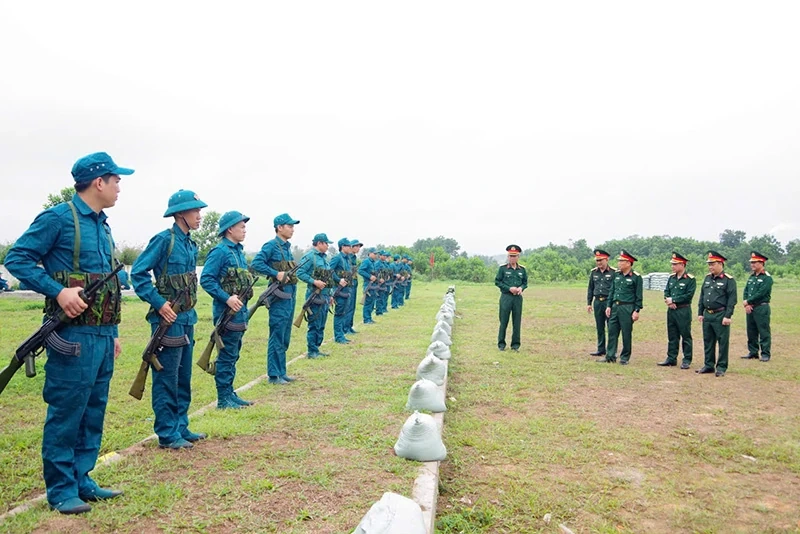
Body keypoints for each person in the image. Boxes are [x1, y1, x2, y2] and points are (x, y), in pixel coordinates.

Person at [5, 151, 132, 514]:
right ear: (99, 182)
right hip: (72, 338)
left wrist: (114, 331)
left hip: (103, 335)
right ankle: (61, 489)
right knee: (67, 413)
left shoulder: (103, 226)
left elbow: (106, 285)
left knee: (94, 410)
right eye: (116, 180)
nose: (120, 186)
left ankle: (82, 478)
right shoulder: (58, 218)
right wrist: (58, 291)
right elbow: (18, 258)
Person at [131, 189, 208, 449]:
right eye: (195, 211)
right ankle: (167, 432)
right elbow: (139, 274)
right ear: (179, 214)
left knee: (183, 376)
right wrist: (159, 304)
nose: (199, 216)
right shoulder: (164, 240)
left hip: (187, 318)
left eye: (199, 211)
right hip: (167, 321)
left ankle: (181, 426)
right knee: (167, 378)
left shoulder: (189, 243)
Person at [199, 211, 255, 408]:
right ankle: (223, 399)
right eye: (241, 226)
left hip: (240, 313)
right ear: (230, 229)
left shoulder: (238, 252)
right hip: (226, 314)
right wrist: (226, 298)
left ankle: (230, 393)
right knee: (226, 355)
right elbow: (206, 279)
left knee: (233, 354)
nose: (245, 230)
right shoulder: (220, 252)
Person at [251, 213, 301, 384]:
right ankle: (273, 374)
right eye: (290, 226)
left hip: (289, 295)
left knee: (285, 335)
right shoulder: (271, 246)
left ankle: (281, 371)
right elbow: (256, 263)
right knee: (277, 334)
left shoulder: (287, 247)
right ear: (280, 227)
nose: (292, 229)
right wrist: (275, 274)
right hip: (278, 298)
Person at [696, 251, 737, 377]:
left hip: (720, 314)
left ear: (720, 263)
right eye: (709, 264)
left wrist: (728, 316)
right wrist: (700, 312)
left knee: (722, 341)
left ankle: (721, 367)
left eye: (713, 264)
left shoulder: (728, 280)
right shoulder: (707, 278)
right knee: (708, 341)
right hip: (707, 314)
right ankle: (708, 365)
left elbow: (732, 300)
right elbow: (702, 295)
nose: (710, 267)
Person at [600, 250, 643, 365]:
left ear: (628, 263)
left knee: (626, 333)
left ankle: (624, 357)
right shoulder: (617, 275)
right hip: (615, 306)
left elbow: (639, 296)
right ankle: (610, 355)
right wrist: (609, 305)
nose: (619, 263)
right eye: (619, 261)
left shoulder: (636, 277)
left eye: (621, 261)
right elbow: (612, 291)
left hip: (627, 307)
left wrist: (637, 310)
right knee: (612, 331)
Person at [297, 233, 334, 358]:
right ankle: (312, 350)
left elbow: (327, 278)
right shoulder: (310, 257)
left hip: (325, 295)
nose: (328, 246)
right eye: (326, 243)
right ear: (319, 243)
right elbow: (300, 272)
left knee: (322, 323)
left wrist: (331, 295)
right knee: (315, 324)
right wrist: (314, 282)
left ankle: (317, 348)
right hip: (314, 295)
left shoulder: (324, 258)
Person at [658, 252, 696, 369]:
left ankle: (687, 359)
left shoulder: (690, 279)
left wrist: (673, 300)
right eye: (672, 264)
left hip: (683, 311)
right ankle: (671, 358)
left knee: (685, 336)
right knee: (672, 335)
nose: (672, 266)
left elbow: (689, 295)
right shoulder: (671, 278)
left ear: (682, 265)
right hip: (671, 311)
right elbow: (666, 292)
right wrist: (668, 301)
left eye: (675, 264)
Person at [495, 244, 528, 352]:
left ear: (518, 257)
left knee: (517, 322)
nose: (512, 258)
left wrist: (521, 288)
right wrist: (509, 288)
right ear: (508, 257)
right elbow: (497, 282)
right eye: (510, 256)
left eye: (514, 256)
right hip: (506, 297)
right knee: (503, 321)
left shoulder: (522, 270)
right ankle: (501, 344)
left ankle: (515, 345)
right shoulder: (503, 269)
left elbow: (525, 283)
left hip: (517, 298)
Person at [742, 251, 772, 362]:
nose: (752, 265)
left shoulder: (767, 278)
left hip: (761, 307)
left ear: (762, 263)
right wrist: (747, 303)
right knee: (751, 331)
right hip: (750, 308)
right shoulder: (751, 277)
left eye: (755, 262)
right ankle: (753, 352)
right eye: (751, 262)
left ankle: (765, 353)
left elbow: (761, 293)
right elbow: (746, 290)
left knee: (763, 331)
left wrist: (748, 301)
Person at [586, 249, 614, 357]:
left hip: (608, 301)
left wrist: (611, 304)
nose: (599, 263)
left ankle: (611, 349)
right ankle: (601, 348)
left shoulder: (613, 272)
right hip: (597, 302)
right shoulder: (594, 272)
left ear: (607, 259)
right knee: (599, 326)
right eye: (597, 261)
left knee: (611, 327)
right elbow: (590, 288)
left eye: (601, 260)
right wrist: (589, 303)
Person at [329, 238, 354, 344]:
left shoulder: (347, 259)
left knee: (344, 312)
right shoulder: (337, 258)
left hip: (347, 289)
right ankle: (338, 337)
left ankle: (342, 334)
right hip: (339, 290)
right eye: (348, 246)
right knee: (339, 314)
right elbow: (329, 270)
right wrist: (338, 280)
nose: (350, 248)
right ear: (343, 247)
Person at [345, 239, 362, 335]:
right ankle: (345, 328)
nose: (359, 248)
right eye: (357, 246)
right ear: (352, 247)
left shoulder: (354, 258)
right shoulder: (347, 257)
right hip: (348, 285)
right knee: (347, 307)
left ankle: (349, 326)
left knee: (352, 306)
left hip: (354, 284)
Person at [358, 247, 379, 324]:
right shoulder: (366, 261)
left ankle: (369, 318)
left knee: (372, 302)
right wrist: (369, 276)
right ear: (370, 253)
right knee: (368, 302)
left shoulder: (373, 262)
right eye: (374, 253)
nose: (376, 255)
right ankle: (366, 319)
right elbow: (360, 270)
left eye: (376, 254)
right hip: (368, 285)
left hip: (373, 285)